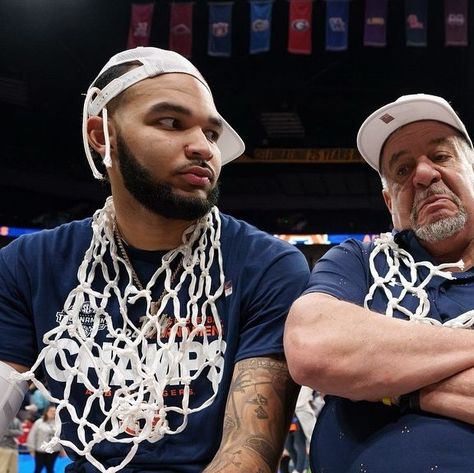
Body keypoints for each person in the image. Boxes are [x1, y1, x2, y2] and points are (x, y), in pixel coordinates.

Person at [0, 46, 309, 473]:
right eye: (170, 122)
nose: (203, 148)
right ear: (101, 134)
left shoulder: (269, 264)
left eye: (212, 134)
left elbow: (248, 451)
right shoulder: (27, 264)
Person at [284, 93, 474, 472]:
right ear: (390, 203)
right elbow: (314, 348)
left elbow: (342, 360)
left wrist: (378, 385)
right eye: (402, 171)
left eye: (440, 156)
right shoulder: (358, 259)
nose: (423, 175)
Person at [27, 405, 62, 473]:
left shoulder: (59, 424)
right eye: (51, 411)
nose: (53, 413)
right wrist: (31, 449)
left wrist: (62, 449)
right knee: (38, 469)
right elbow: (32, 436)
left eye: (55, 411)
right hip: (40, 451)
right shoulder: (39, 422)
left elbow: (62, 437)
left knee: (50, 469)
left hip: (54, 451)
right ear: (46, 412)